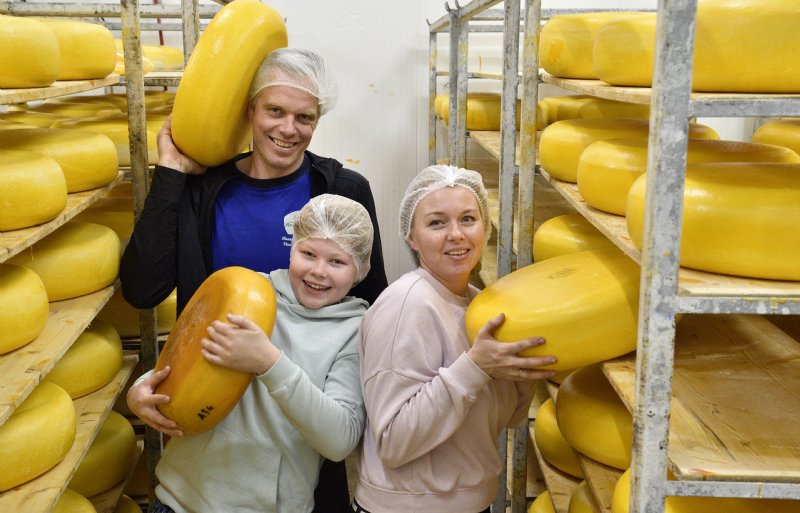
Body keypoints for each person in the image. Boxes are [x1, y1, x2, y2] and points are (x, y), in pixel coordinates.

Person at [120, 48, 388, 512]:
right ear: (250, 110)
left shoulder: (341, 191)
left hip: (300, 451)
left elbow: (371, 309)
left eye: (304, 117)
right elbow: (144, 289)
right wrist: (171, 174)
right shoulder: (206, 189)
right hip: (206, 448)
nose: (288, 129)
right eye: (275, 111)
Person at [128, 194, 373, 513]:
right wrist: (141, 390)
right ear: (292, 248)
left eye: (337, 261)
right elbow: (186, 353)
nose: (318, 271)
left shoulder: (355, 331)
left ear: (360, 269)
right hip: (179, 501)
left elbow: (339, 441)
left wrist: (269, 363)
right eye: (308, 253)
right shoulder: (246, 292)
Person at [352, 165, 558, 513]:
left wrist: (521, 375)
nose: (456, 234)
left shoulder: (479, 305)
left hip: (470, 502)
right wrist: (475, 367)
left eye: (467, 219)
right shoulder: (406, 305)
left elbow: (507, 419)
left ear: (485, 226)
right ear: (412, 237)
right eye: (437, 223)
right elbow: (394, 442)